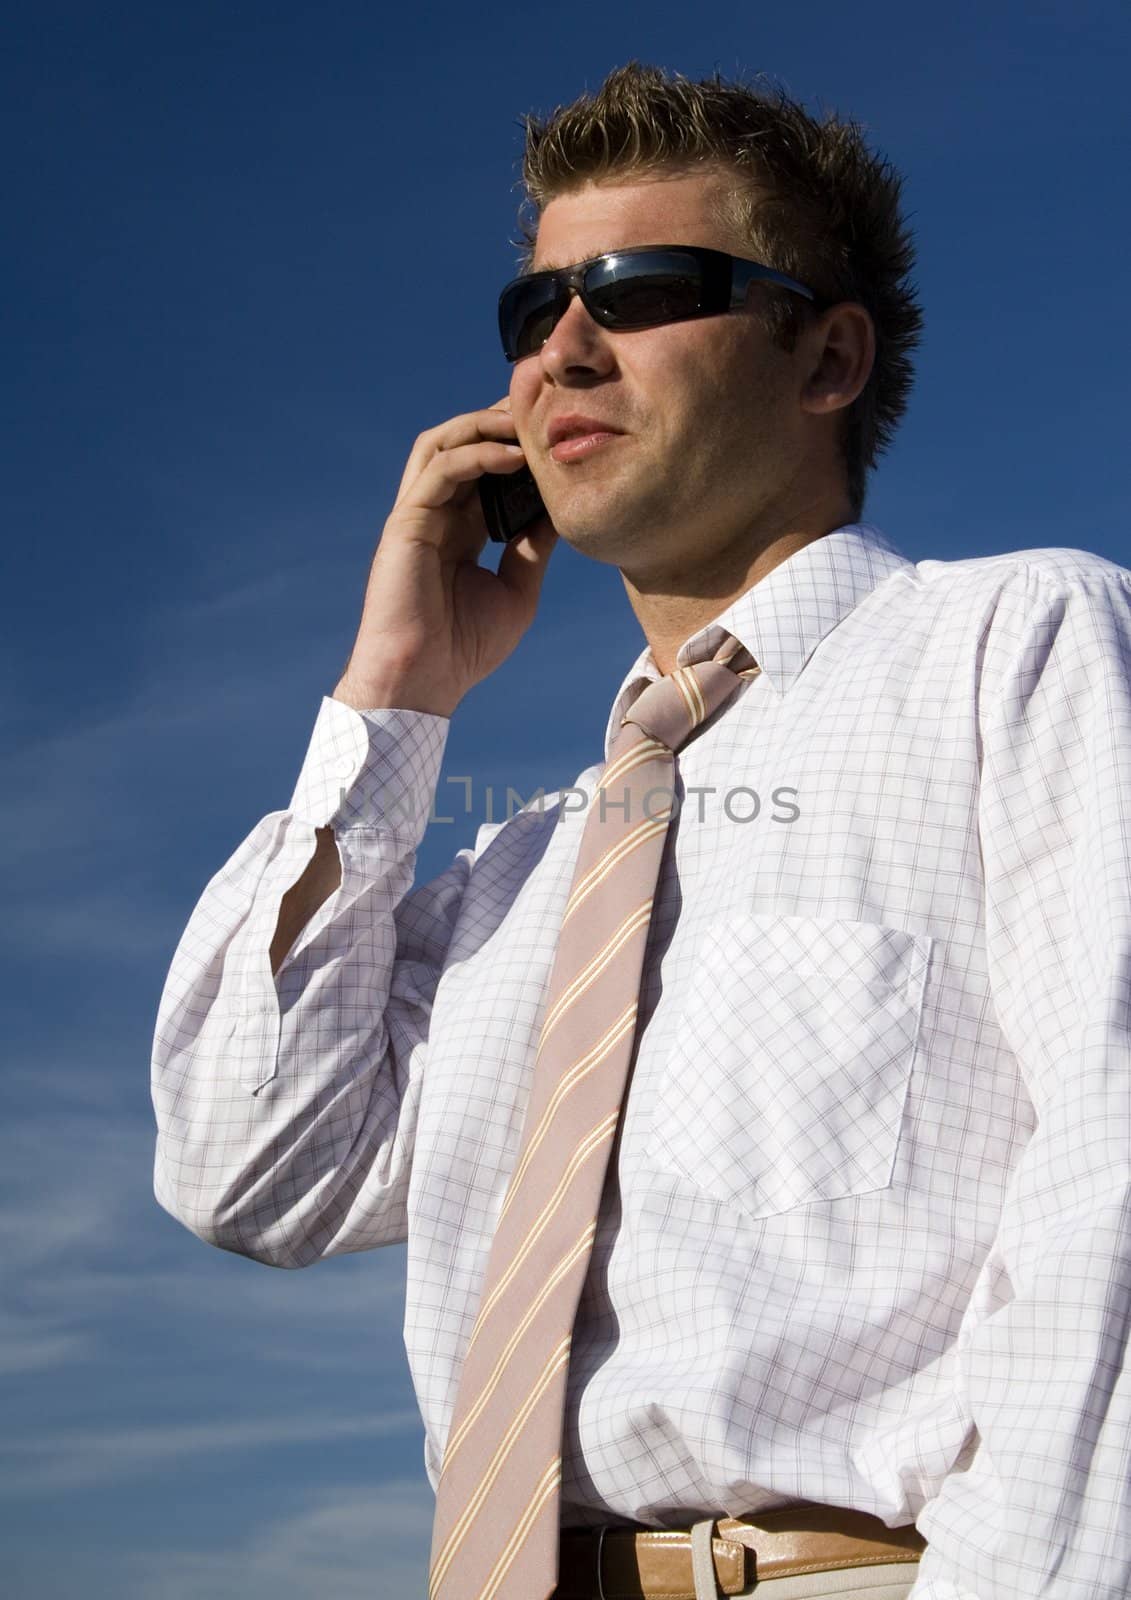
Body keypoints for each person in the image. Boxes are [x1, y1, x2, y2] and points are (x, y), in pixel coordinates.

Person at [150, 61, 1131, 1600]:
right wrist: (396, 694)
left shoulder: (1023, 646)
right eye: (531, 312)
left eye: (642, 288)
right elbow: (256, 1172)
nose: (563, 348)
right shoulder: (521, 862)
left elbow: (1116, 1185)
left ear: (827, 357)